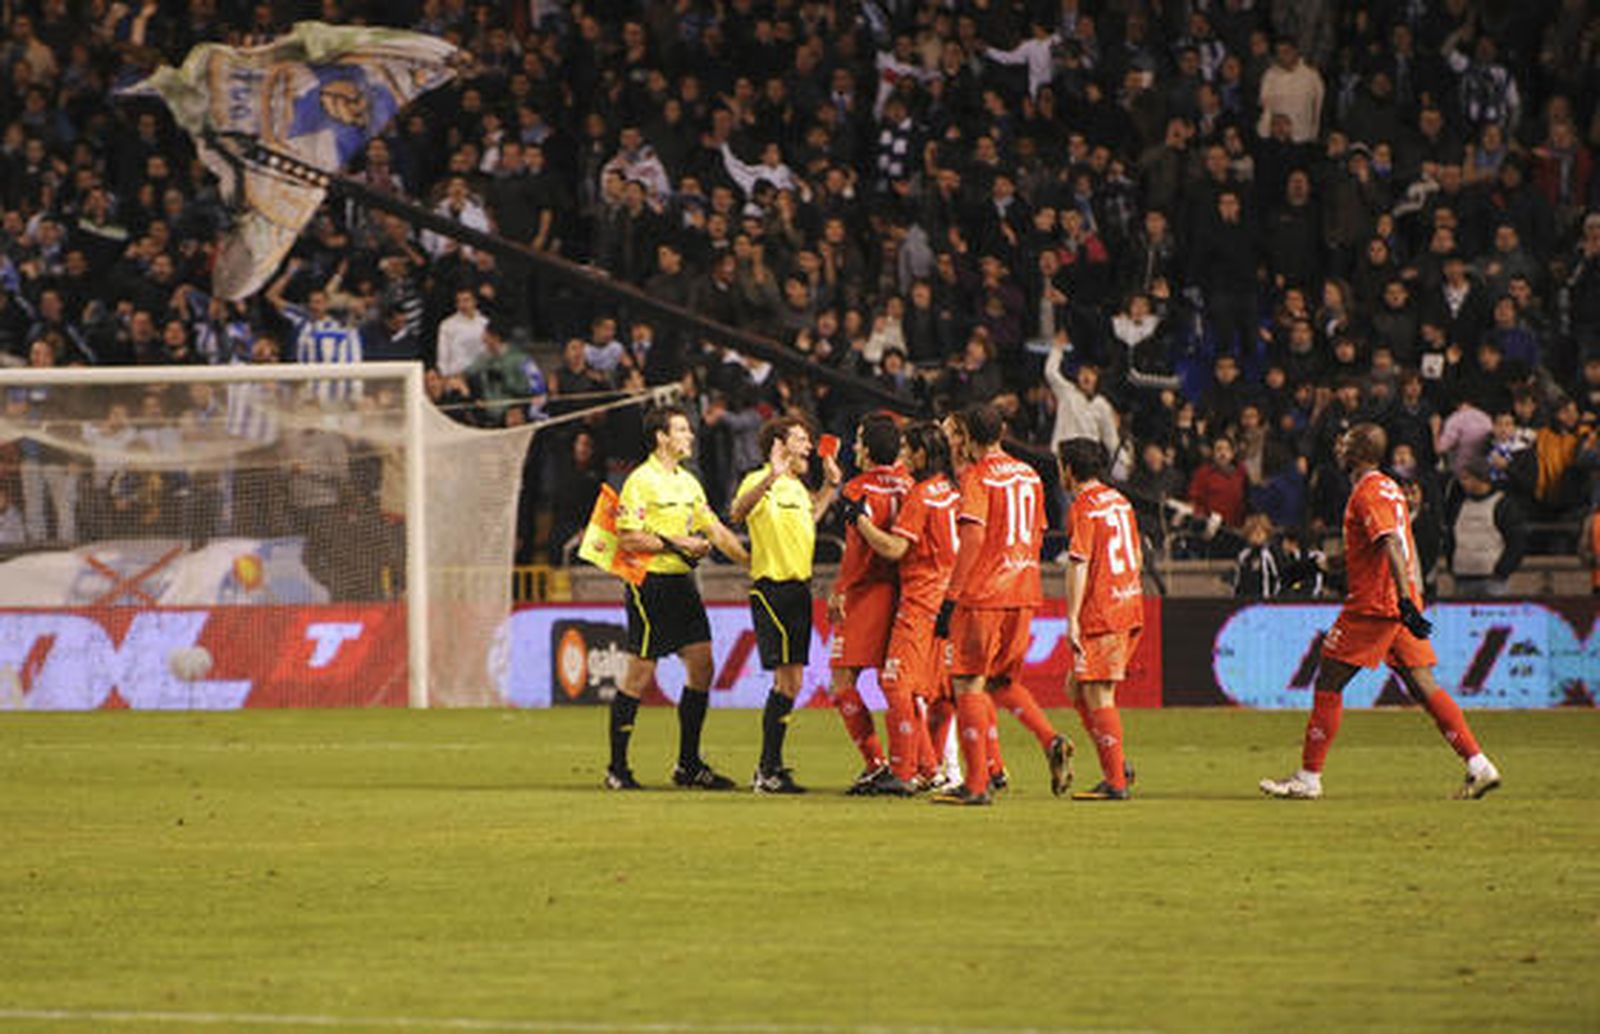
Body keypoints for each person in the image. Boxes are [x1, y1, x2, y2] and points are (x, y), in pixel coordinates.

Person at [1261, 424, 1502, 801]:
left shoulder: (1369, 491)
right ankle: (1479, 765)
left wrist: (1403, 601)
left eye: (1346, 441)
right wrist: (1316, 564)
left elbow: (1390, 544)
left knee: (1328, 681)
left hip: (1376, 605)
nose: (1338, 446)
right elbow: (1368, 551)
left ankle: (1308, 777)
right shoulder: (1388, 487)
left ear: (1358, 452)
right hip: (1395, 601)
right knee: (1423, 686)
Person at [931, 402, 1071, 805]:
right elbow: (1040, 531)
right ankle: (1049, 740)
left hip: (984, 594)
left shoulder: (978, 477)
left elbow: (973, 540)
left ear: (971, 438)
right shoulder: (1030, 475)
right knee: (1000, 682)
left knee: (967, 683)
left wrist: (951, 598)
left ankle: (975, 785)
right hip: (1024, 590)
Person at [607, 405, 750, 791]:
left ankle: (688, 764)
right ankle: (617, 768)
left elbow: (716, 530)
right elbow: (628, 538)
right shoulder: (641, 481)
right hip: (648, 584)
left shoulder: (688, 483)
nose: (690, 436)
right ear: (661, 437)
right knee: (640, 673)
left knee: (703, 665)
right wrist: (677, 542)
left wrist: (752, 563)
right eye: (682, 429)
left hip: (682, 585)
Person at [846, 421, 961, 793]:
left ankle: (904, 771)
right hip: (947, 600)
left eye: (909, 451)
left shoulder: (923, 495)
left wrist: (860, 521)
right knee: (924, 689)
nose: (903, 458)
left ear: (923, 453)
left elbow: (895, 549)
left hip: (920, 600)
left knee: (896, 682)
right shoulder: (951, 490)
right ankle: (932, 768)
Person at [729, 414, 842, 794]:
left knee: (792, 682)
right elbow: (737, 513)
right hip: (771, 587)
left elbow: (810, 518)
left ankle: (771, 767)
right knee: (787, 679)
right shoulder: (760, 481)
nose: (808, 445)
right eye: (800, 439)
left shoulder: (796, 487)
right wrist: (770, 477)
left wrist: (829, 485)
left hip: (798, 590)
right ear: (779, 444)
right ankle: (767, 770)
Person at [826, 414, 913, 794]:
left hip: (866, 591)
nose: (855, 447)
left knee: (843, 680)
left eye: (859, 441)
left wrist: (839, 589)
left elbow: (856, 551)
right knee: (897, 681)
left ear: (868, 447)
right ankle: (920, 764)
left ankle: (877, 763)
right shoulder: (911, 485)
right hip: (905, 591)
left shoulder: (857, 489)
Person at [1059, 438, 1143, 801]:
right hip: (1128, 603)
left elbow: (1079, 563)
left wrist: (1073, 618)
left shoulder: (1083, 507)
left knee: (1098, 691)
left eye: (1061, 465)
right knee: (1075, 688)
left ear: (1070, 470)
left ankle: (1115, 781)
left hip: (1103, 610)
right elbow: (1136, 554)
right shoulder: (1121, 501)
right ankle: (1117, 761)